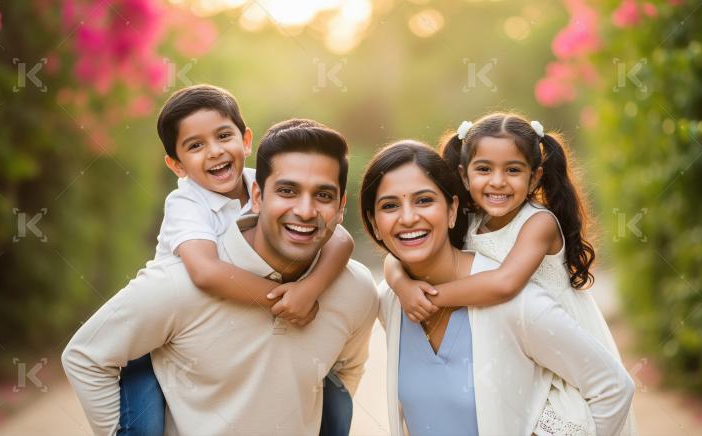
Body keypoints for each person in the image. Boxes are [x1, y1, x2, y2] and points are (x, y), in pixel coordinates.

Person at [62, 118, 378, 435]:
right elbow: (86, 357)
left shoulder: (356, 289)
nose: (306, 211)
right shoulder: (175, 285)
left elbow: (345, 370)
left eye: (323, 196)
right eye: (287, 191)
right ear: (256, 196)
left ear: (340, 208)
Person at [384, 113, 636, 434]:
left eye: (513, 170)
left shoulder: (538, 223)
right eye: (484, 169)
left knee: (565, 421)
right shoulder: (468, 219)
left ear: (534, 178)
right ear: (464, 175)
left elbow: (505, 284)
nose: (498, 181)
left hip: (561, 352)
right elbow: (399, 257)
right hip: (519, 351)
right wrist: (403, 285)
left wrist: (433, 298)